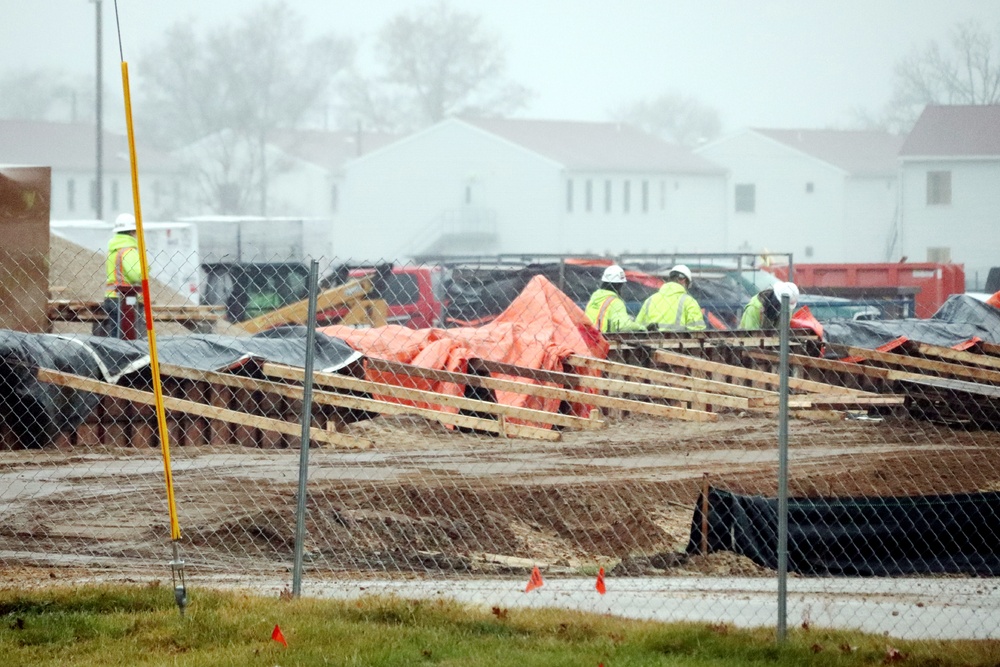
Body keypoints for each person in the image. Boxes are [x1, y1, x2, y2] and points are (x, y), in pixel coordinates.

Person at [97, 213, 144, 338]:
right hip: (125, 300)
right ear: (133, 231)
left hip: (111, 297)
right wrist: (146, 269)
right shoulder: (129, 251)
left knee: (116, 335)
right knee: (128, 337)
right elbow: (136, 275)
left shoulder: (113, 250)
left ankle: (115, 355)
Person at [636, 264, 706, 331]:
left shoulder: (650, 300)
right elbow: (698, 329)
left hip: (650, 342)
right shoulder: (689, 302)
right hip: (680, 342)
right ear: (684, 280)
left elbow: (637, 326)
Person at [584, 265, 644, 332]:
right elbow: (623, 326)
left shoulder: (594, 299)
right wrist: (641, 327)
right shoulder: (615, 302)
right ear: (620, 285)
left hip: (588, 338)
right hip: (604, 339)